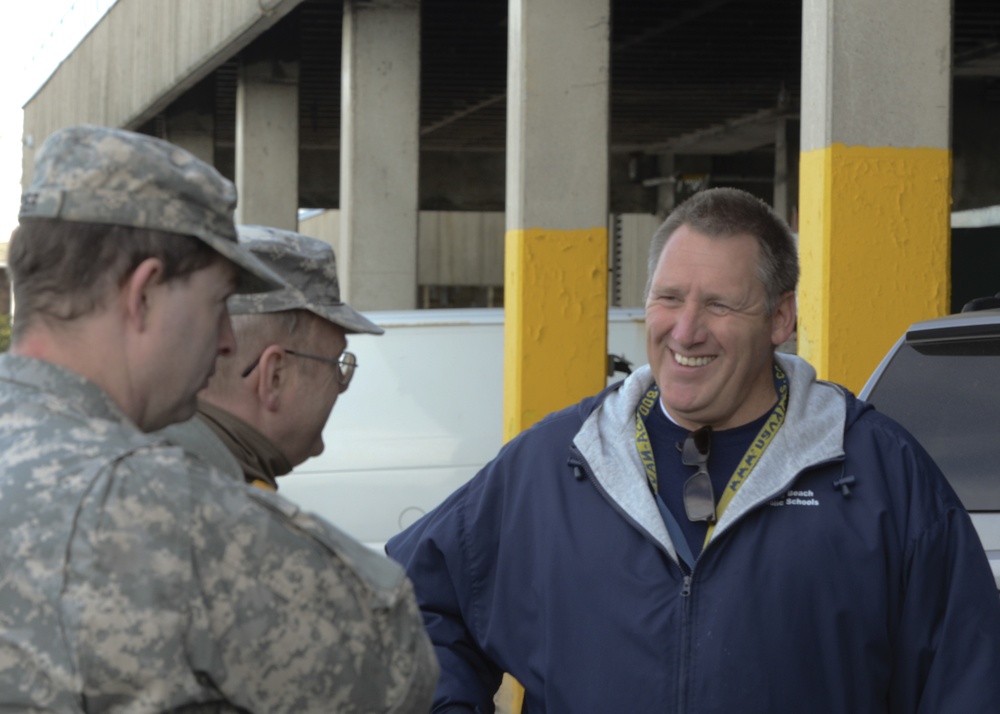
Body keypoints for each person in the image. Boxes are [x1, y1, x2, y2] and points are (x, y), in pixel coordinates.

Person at [386, 186, 1000, 712]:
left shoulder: (879, 472)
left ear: (780, 318)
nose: (685, 330)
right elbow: (409, 602)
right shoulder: (555, 465)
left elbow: (970, 674)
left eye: (718, 304)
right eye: (669, 298)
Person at [0, 124, 437, 712]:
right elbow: (396, 661)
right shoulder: (157, 511)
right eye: (217, 303)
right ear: (146, 294)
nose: (227, 339)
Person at [161, 225, 384, 490]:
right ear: (274, 377)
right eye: (336, 364)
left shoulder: (142, 461)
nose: (341, 386)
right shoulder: (232, 509)